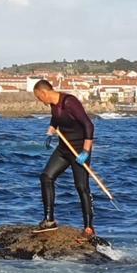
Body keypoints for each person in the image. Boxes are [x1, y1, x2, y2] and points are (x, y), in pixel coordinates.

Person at [33, 79, 96, 236]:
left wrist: (86, 151)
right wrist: (50, 131)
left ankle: (89, 227)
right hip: (63, 149)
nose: (40, 101)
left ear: (44, 92)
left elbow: (88, 125)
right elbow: (56, 118)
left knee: (81, 186)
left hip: (79, 149)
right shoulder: (54, 104)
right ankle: (49, 220)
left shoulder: (69, 102)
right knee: (46, 177)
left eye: (39, 97)